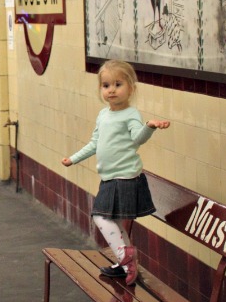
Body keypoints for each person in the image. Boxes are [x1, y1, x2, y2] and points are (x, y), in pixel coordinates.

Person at [62, 60, 169, 285]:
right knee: (116, 222)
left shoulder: (130, 114)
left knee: (101, 216)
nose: (111, 90)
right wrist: (73, 159)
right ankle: (126, 264)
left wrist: (149, 126)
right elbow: (94, 143)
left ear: (131, 87)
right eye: (106, 85)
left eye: (118, 84)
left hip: (125, 177)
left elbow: (136, 139)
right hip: (110, 177)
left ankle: (124, 254)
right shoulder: (103, 115)